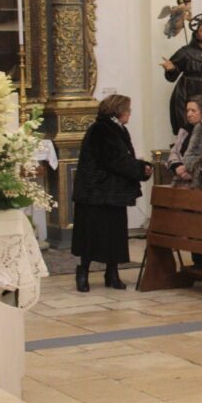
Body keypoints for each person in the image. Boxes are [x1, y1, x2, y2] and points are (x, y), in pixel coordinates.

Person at [72, 95, 153, 292]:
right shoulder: (102, 129)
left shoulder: (116, 128)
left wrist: (139, 168)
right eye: (129, 110)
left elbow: (121, 158)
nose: (130, 114)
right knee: (92, 235)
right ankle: (83, 272)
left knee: (114, 234)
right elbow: (115, 160)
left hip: (110, 192)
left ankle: (112, 272)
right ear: (119, 111)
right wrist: (141, 169)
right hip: (96, 192)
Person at [166, 95, 202, 187]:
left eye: (193, 111)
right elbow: (175, 151)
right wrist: (177, 166)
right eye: (187, 110)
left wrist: (190, 171)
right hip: (181, 180)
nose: (189, 114)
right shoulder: (185, 130)